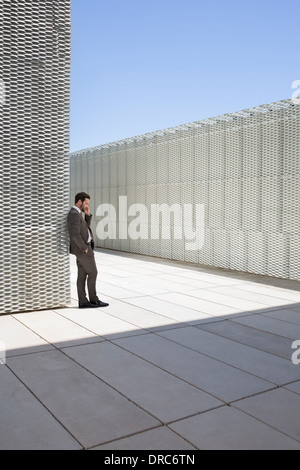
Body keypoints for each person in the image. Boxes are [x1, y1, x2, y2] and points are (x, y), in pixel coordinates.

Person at [67, 192, 109, 309]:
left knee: (82, 275)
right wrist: (85, 249)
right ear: (79, 201)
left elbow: (85, 229)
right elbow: (75, 235)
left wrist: (87, 215)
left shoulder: (78, 213)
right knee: (93, 273)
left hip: (83, 249)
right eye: (85, 203)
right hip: (84, 250)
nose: (86, 205)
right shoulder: (74, 214)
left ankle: (83, 302)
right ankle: (94, 300)